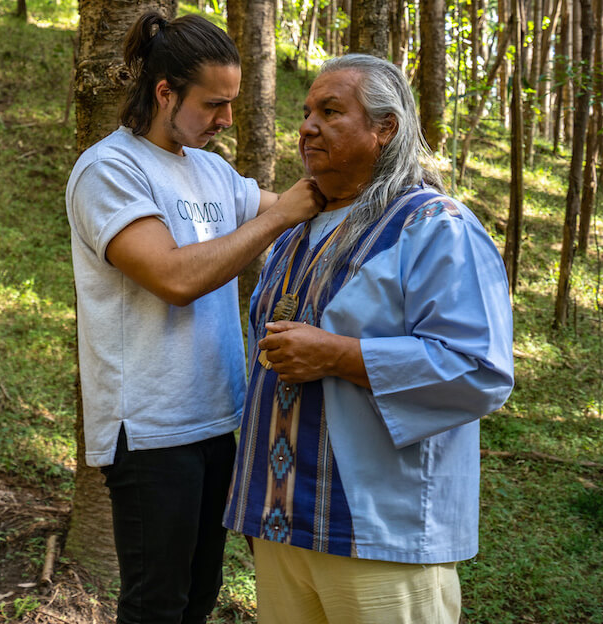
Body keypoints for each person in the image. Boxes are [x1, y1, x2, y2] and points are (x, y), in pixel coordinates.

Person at [223, 54, 515, 624]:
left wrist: (336, 354)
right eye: (307, 111)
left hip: (382, 536)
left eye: (331, 111)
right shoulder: (294, 230)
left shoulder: (435, 227)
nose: (307, 125)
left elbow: (479, 369)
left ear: (386, 128)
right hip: (283, 524)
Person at [64, 11, 324, 624]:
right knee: (157, 605)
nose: (227, 119)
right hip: (150, 429)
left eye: (232, 103)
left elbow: (295, 211)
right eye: (214, 104)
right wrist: (278, 216)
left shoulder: (209, 169)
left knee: (199, 598)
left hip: (217, 420)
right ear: (165, 93)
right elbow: (174, 277)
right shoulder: (110, 171)